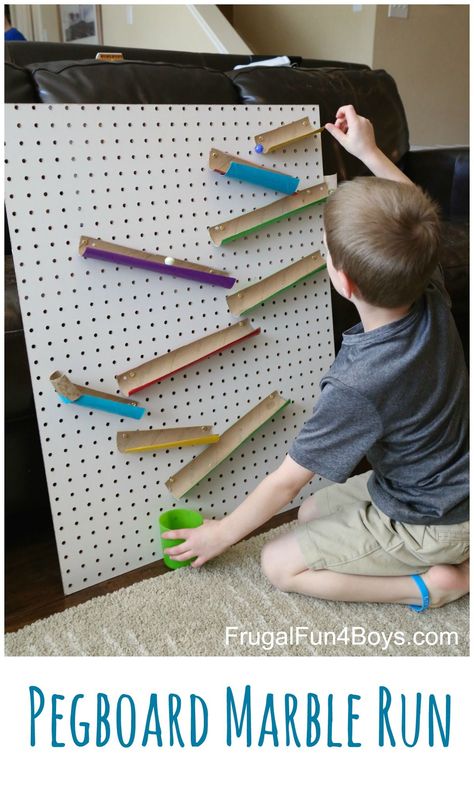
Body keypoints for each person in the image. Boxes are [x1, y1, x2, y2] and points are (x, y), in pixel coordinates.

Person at [161, 105, 469, 612]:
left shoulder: (359, 383)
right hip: (440, 487)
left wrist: (222, 535)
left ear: (342, 282)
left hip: (431, 518)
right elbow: (417, 210)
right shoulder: (428, 290)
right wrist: (368, 152)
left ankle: (434, 586)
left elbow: (285, 481)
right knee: (311, 517)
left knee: (279, 564)